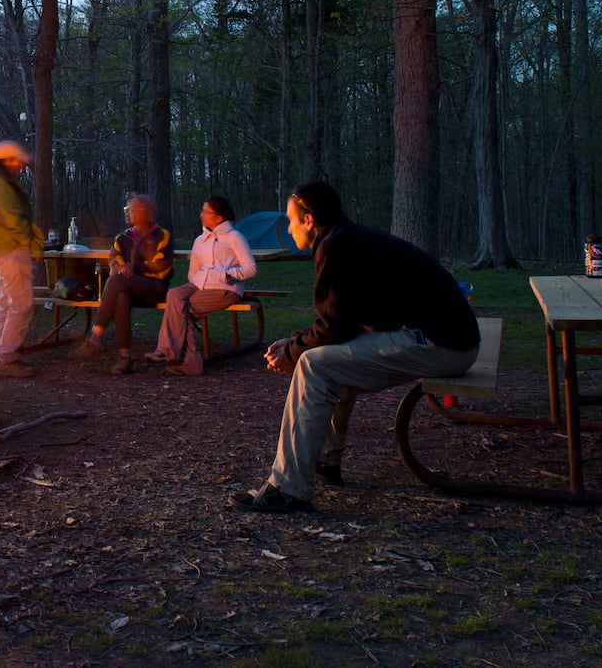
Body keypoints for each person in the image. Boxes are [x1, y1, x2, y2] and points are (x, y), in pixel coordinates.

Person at [230, 180, 481, 514]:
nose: (288, 229)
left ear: (308, 219)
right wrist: (294, 343)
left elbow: (335, 327)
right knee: (327, 360)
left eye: (291, 220)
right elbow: (343, 323)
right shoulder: (346, 239)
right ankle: (324, 461)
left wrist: (293, 354)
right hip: (444, 339)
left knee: (314, 366)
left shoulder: (336, 246)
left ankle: (288, 488)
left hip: (441, 344)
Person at [150, 195, 255, 376]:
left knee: (182, 311)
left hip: (225, 288)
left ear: (219, 217)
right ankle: (167, 351)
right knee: (174, 295)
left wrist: (227, 275)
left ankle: (184, 361)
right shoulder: (200, 240)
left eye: (206, 212)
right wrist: (198, 280)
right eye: (202, 211)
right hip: (198, 285)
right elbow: (193, 270)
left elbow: (250, 268)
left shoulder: (234, 237)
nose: (201, 215)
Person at [75, 194, 173, 374]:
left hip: (154, 288)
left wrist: (131, 268)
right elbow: (113, 261)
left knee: (118, 280)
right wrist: (120, 267)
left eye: (133, 209)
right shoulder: (123, 238)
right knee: (121, 295)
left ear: (147, 212)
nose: (128, 213)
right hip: (129, 289)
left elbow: (162, 268)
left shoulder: (162, 235)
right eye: (128, 209)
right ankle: (124, 357)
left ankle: (96, 336)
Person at [0, 140, 44, 378]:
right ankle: (6, 359)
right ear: (9, 160)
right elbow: (15, 218)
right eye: (19, 162)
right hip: (12, 249)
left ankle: (3, 353)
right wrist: (32, 245)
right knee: (20, 305)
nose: (21, 167)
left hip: (1, 249)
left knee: (9, 304)